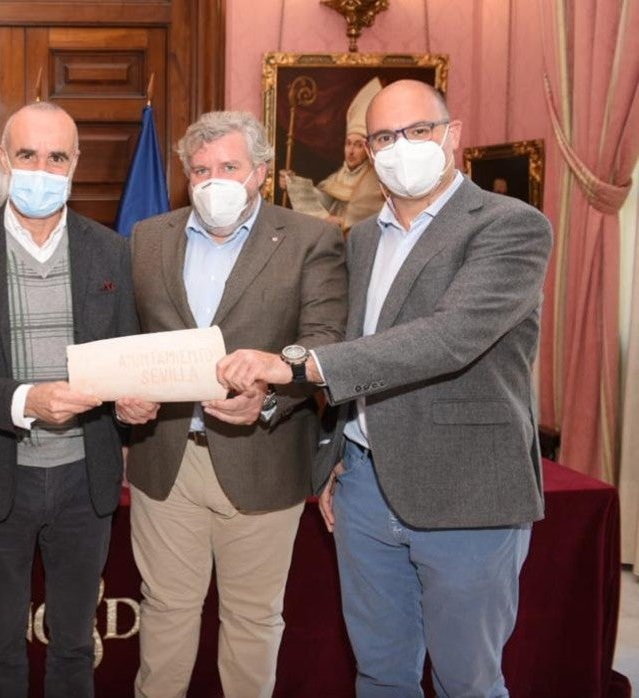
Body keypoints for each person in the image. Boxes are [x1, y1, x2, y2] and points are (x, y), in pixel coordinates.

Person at [216, 80, 552, 697]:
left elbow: (449, 338)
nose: (400, 147)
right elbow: (353, 343)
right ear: (367, 150)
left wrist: (293, 366)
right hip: (366, 488)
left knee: (467, 681)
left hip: (467, 490)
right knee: (380, 672)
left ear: (452, 136)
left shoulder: (511, 226)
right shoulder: (365, 237)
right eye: (382, 137)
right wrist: (321, 439)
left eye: (417, 131)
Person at [118, 111, 347, 698]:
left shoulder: (310, 238)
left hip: (264, 458)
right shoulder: (149, 237)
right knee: (165, 611)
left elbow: (325, 341)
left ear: (261, 173)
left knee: (252, 621)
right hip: (165, 459)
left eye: (229, 167)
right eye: (200, 170)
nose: (212, 181)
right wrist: (126, 396)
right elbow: (129, 339)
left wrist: (268, 393)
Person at [0, 101, 138, 698]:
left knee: (74, 645)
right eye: (27, 155)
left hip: (84, 479)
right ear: (2, 161)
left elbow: (126, 357)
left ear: (75, 164)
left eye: (57, 157)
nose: (42, 169)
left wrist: (135, 401)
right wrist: (24, 401)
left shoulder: (111, 251)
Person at [281, 77, 384, 233]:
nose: (350, 151)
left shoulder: (374, 181)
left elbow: (362, 218)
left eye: (358, 145)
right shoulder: (342, 174)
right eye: (348, 143)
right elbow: (323, 201)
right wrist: (292, 184)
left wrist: (339, 222)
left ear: (368, 149)